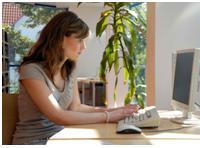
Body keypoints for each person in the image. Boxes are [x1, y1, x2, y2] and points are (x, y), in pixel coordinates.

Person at [12, 11, 139, 145]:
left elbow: (76, 108)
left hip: (61, 137)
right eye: (79, 40)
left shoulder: (69, 70)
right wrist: (108, 117)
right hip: (35, 141)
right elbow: (58, 116)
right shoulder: (31, 70)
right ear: (60, 39)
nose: (84, 47)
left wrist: (117, 111)